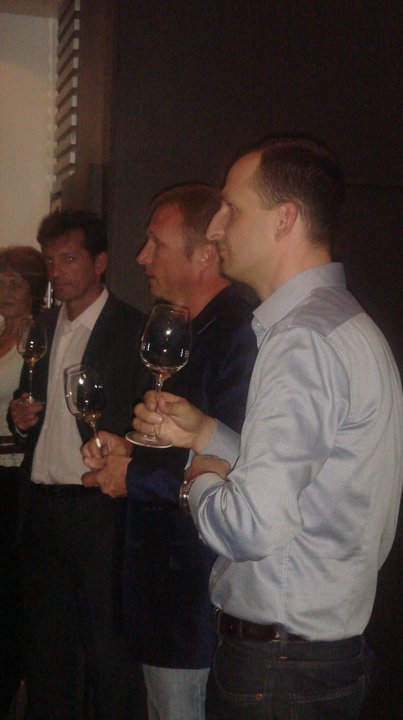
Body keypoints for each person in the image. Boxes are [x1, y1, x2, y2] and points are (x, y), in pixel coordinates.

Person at [132, 137, 403, 719]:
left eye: (231, 209)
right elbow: (311, 481)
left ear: (285, 219)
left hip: (279, 669)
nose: (215, 229)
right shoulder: (338, 323)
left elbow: (252, 527)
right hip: (310, 658)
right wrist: (207, 433)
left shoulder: (302, 340)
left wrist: (197, 480)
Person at [80, 184, 257, 720]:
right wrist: (128, 450)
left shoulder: (236, 334)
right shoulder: (184, 327)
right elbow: (177, 440)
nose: (141, 257)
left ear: (204, 254)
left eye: (156, 243)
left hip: (194, 597)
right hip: (162, 592)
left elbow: (234, 464)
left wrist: (131, 478)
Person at [9, 210, 147, 720]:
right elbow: (28, 412)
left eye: (68, 259)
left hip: (98, 512)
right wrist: (20, 418)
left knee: (109, 655)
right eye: (51, 261)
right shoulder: (43, 327)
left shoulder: (131, 329)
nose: (56, 271)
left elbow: (148, 424)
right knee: (47, 655)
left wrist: (126, 448)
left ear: (100, 262)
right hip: (41, 509)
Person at [0, 246, 47, 716]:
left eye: (15, 283)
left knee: (11, 590)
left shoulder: (37, 340)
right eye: (0, 283)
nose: (5, 292)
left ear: (34, 289)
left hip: (13, 479)